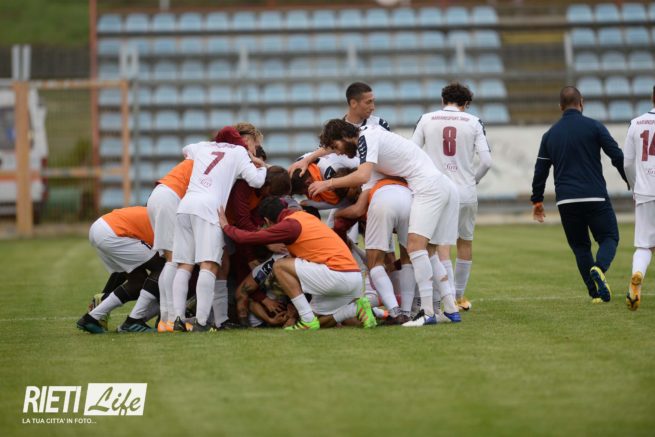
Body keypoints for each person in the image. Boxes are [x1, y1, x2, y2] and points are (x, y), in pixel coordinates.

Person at [308, 119, 461, 327]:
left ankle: (427, 313)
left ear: (344, 136)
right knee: (429, 252)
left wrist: (328, 183)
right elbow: (362, 190)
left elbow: (362, 176)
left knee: (416, 249)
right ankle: (451, 309)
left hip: (429, 188)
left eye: (337, 147)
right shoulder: (373, 156)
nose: (340, 153)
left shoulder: (366, 138)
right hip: (443, 186)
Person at [218, 196, 376, 331]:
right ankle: (355, 309)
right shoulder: (305, 217)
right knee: (321, 321)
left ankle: (307, 320)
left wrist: (226, 226)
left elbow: (246, 238)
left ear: (267, 220)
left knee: (279, 266)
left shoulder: (289, 224)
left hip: (336, 275)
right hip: (353, 278)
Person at [531, 86, 629, 302]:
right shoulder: (594, 127)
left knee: (580, 247)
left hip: (566, 200)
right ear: (581, 102)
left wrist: (537, 200)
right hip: (595, 195)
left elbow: (540, 171)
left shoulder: (550, 135)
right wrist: (629, 180)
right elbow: (617, 156)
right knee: (609, 237)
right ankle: (599, 268)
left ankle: (595, 294)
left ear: (560, 106)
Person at [170, 130, 267, 332]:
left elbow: (185, 150)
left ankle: (177, 318)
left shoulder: (202, 146)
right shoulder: (239, 152)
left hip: (186, 205)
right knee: (210, 264)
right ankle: (202, 322)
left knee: (184, 265)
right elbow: (256, 181)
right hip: (209, 208)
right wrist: (262, 166)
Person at [412, 82, 493, 311]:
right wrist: (473, 180)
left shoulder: (426, 119)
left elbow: (412, 152)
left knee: (436, 245)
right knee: (464, 242)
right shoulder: (474, 121)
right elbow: (487, 162)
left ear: (442, 100)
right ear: (466, 103)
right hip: (465, 191)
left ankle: (439, 299)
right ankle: (458, 296)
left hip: (436, 191)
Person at [77, 206, 165, 334]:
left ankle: (91, 318)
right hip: (113, 232)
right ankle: (134, 321)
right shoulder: (174, 224)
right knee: (162, 269)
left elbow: (122, 272)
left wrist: (105, 294)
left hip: (101, 226)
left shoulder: (163, 212)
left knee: (138, 283)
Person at [622, 86, 655, 310]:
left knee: (644, 245)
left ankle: (637, 274)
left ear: (652, 97)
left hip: (645, 191)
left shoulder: (636, 123)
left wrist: (635, 186)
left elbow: (627, 163)